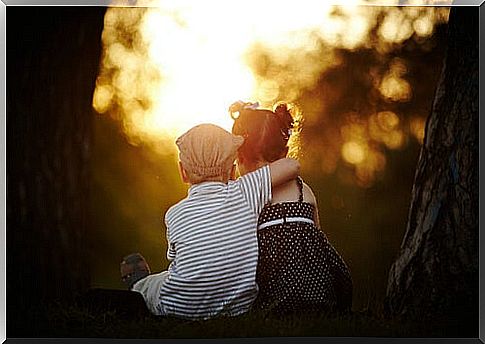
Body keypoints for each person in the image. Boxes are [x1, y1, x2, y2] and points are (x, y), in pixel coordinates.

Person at [120, 123, 300, 320]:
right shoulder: (245, 191)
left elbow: (175, 255)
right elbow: (292, 165)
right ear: (232, 171)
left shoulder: (174, 213)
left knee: (157, 283)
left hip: (180, 309)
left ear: (183, 172)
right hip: (238, 309)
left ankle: (138, 285)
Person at [230, 100, 353, 315]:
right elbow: (316, 237)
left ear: (240, 157)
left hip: (274, 292)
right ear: (284, 150)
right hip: (319, 290)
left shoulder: (249, 194)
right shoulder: (304, 190)